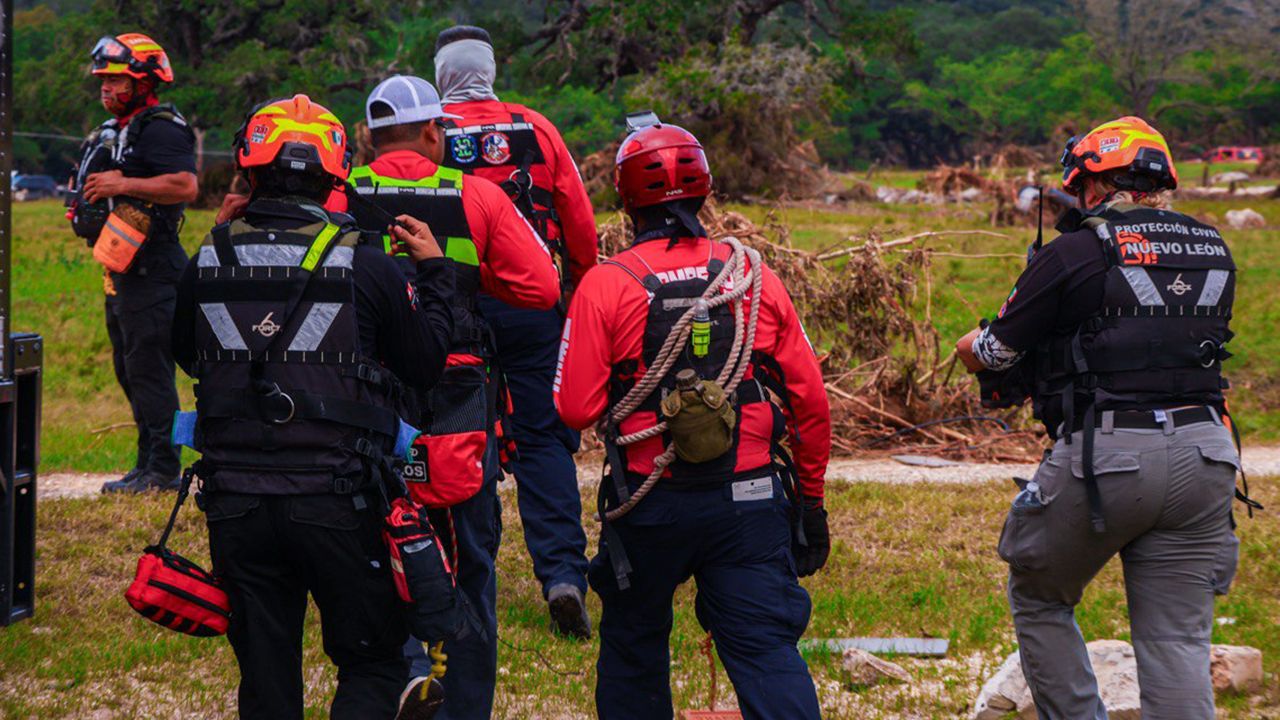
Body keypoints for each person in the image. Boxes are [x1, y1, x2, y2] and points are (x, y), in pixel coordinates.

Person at [171, 94, 455, 720]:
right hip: (341, 499)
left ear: (248, 169)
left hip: (235, 501)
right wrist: (433, 272)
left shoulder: (208, 257)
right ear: (336, 175)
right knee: (372, 664)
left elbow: (188, 358)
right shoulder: (370, 265)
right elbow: (427, 368)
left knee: (266, 674)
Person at [956, 116, 1247, 719]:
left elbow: (998, 352)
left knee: (1039, 596)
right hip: (1207, 455)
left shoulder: (1074, 252)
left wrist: (968, 346)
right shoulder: (1215, 247)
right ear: (1161, 182)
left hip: (1108, 456)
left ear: (1094, 185)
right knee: (1177, 643)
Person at [555, 120, 832, 719]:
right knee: (764, 649)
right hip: (751, 502)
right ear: (706, 193)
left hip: (649, 505)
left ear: (626, 200)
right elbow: (809, 400)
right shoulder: (752, 275)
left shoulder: (607, 284)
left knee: (633, 649)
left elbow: (574, 409)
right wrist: (810, 504)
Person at [334, 74, 560, 720]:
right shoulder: (476, 195)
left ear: (371, 138)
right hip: (456, 397)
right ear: (435, 131)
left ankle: (393, 683)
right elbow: (542, 289)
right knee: (469, 557)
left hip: (363, 395)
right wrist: (469, 281)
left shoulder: (341, 195)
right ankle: (461, 707)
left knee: (372, 544)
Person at [434, 24, 599, 639]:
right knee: (542, 442)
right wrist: (576, 294)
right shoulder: (536, 127)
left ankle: (458, 575)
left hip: (453, 311)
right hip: (535, 304)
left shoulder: (426, 131)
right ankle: (561, 575)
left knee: (454, 436)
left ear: (441, 74)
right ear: (491, 71)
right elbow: (578, 223)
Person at [68, 33, 197, 493]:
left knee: (150, 369)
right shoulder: (124, 127)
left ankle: (163, 470)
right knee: (131, 368)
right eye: (104, 80)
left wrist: (122, 183)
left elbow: (184, 186)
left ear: (145, 82)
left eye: (118, 80)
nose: (107, 89)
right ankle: (146, 464)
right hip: (123, 268)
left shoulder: (161, 126)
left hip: (155, 269)